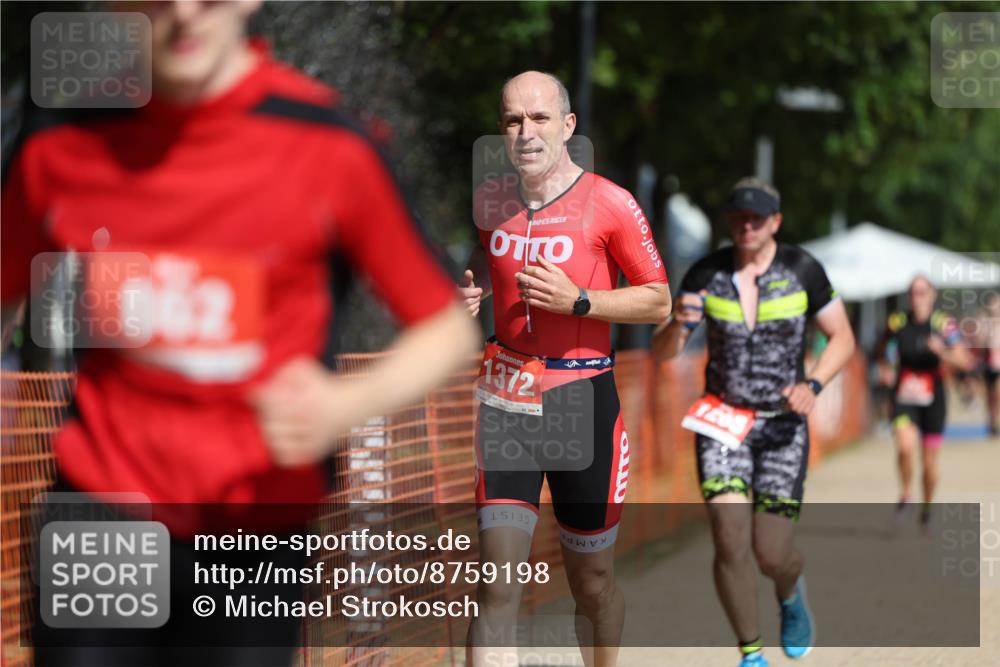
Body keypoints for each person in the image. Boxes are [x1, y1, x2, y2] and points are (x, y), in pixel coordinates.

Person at [1, 2, 477, 665]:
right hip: (100, 504)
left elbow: (446, 326)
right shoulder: (61, 144)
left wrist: (344, 403)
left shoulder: (330, 144)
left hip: (253, 525)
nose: (184, 13)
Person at [459, 71, 671, 667]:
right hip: (506, 399)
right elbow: (483, 251)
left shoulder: (610, 202)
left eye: (540, 118)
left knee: (593, 581)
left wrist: (581, 301)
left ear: (568, 127)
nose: (526, 132)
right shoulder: (491, 201)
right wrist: (469, 285)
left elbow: (659, 299)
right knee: (498, 585)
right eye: (512, 120)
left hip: (583, 401)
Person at [652, 177, 855, 667]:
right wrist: (677, 322)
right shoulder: (705, 273)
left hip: (782, 428)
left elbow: (843, 338)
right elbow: (662, 353)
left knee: (772, 551)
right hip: (722, 423)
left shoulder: (802, 269)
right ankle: (751, 653)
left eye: (757, 218)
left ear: (776, 223)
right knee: (728, 537)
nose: (747, 225)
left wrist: (814, 385)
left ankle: (789, 593)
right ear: (728, 220)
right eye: (739, 217)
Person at [877, 276, 971, 529]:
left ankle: (927, 509)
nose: (916, 297)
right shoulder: (897, 322)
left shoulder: (944, 325)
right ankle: (907, 494)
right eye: (912, 292)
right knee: (905, 447)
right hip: (904, 394)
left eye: (921, 292)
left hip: (933, 397)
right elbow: (883, 349)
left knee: (929, 463)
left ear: (932, 295)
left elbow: (964, 361)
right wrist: (885, 368)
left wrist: (942, 351)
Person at [973, 292, 1000, 437]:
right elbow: (979, 344)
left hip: (998, 366)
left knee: (998, 394)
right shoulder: (985, 324)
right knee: (989, 397)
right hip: (988, 365)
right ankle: (991, 423)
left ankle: (995, 422)